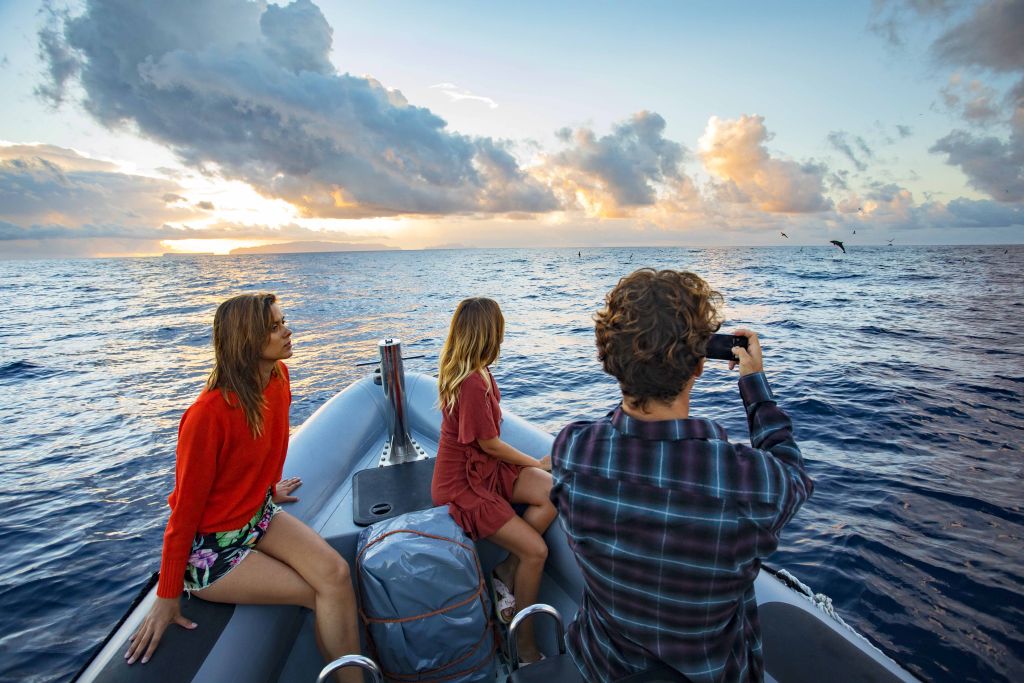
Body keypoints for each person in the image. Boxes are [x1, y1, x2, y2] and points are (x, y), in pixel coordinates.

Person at [551, 269, 814, 682]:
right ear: (699, 366)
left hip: (603, 667)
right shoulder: (747, 484)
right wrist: (755, 385)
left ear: (609, 360)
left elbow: (614, 432)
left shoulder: (572, 451)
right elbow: (793, 478)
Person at [125, 293, 361, 683]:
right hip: (211, 549)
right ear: (246, 340)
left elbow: (263, 446)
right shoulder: (206, 416)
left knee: (335, 574)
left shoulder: (278, 378)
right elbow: (183, 515)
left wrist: (267, 488)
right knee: (313, 591)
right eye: (274, 326)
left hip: (257, 514)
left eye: (283, 321)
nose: (287, 330)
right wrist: (166, 597)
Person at [431, 297, 557, 665]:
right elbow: (489, 444)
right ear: (490, 331)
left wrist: (538, 469)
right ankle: (524, 645)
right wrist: (535, 462)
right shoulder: (470, 381)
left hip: (483, 468)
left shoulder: (480, 371)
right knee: (536, 551)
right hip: (463, 484)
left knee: (553, 492)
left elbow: (489, 447)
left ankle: (504, 568)